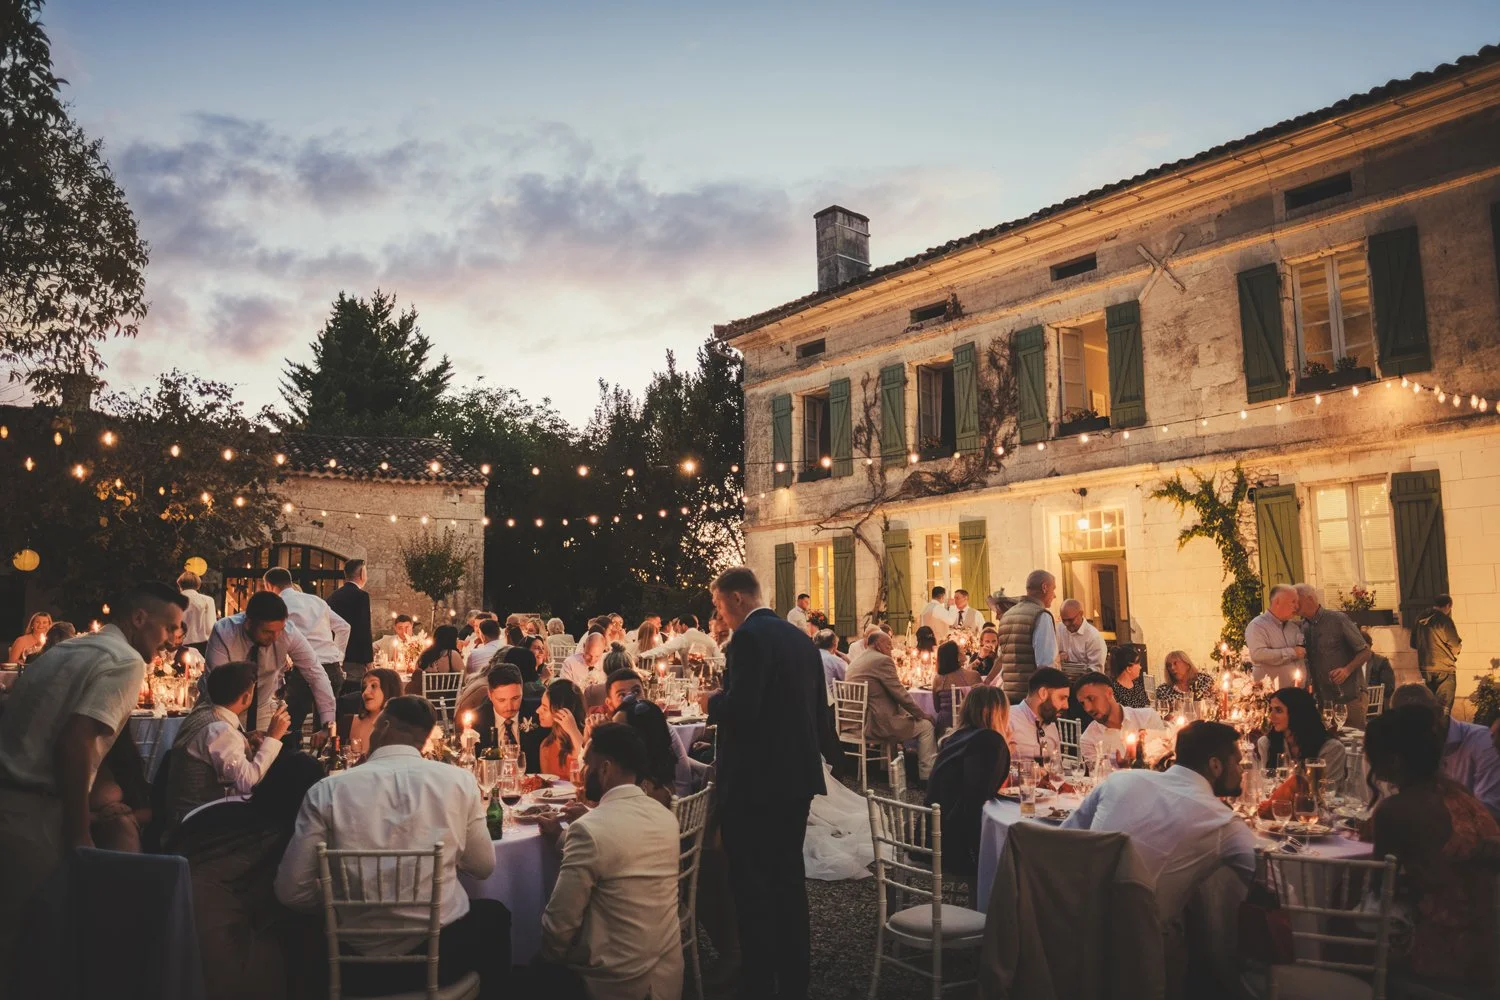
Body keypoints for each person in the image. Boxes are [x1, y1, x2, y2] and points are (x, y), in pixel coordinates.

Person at [0, 581, 186, 981]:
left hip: (10, 800)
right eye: (170, 627)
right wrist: (80, 832)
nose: (174, 639)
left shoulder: (67, 651)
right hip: (36, 817)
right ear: (139, 619)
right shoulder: (125, 660)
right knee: (29, 954)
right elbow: (76, 741)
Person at [275, 696, 509, 999]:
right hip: (443, 956)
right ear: (425, 739)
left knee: (297, 933)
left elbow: (290, 891)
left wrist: (341, 898)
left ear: (383, 725)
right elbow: (482, 867)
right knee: (495, 916)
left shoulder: (327, 791)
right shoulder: (458, 782)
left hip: (354, 963)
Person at [708, 567, 825, 1000]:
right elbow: (818, 708)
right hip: (796, 776)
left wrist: (713, 702)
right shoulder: (799, 638)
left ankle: (758, 980)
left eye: (719, 605)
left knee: (752, 884)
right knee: (789, 880)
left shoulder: (749, 639)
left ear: (737, 598)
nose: (719, 614)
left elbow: (744, 708)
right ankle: (795, 978)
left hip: (756, 783)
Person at [536, 722, 683, 1000]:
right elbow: (622, 855)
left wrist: (549, 960)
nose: (583, 772)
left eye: (587, 764)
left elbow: (559, 926)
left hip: (613, 983)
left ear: (604, 768)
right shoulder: (665, 817)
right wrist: (562, 839)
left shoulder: (589, 829)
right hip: (667, 978)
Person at [1063, 721, 1256, 924]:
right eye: (1237, 763)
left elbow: (1066, 837)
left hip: (1073, 921)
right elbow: (1272, 884)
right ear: (1215, 765)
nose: (1241, 771)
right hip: (1143, 943)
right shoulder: (1224, 822)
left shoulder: (1119, 781)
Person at [1365, 705, 1499, 989]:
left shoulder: (1395, 810)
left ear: (1395, 761)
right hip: (1487, 948)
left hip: (1438, 957)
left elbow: (1378, 889)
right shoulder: (1459, 793)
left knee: (1340, 935)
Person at [172, 752, 325, 1000]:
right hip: (218, 953)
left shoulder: (227, 812)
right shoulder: (282, 835)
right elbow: (292, 894)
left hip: (168, 929)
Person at [164, 661, 290, 836]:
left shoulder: (202, 712)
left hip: (183, 812)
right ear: (246, 697)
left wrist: (245, 738)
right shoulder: (219, 731)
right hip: (197, 822)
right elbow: (248, 783)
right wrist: (273, 738)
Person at [206, 590, 336, 744]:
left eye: (279, 630)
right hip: (219, 709)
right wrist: (240, 735)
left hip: (261, 707)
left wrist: (328, 723)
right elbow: (219, 688)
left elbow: (315, 674)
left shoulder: (288, 633)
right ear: (248, 623)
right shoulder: (224, 632)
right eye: (267, 631)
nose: (275, 637)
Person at [925, 687, 1012, 877]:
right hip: (952, 842)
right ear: (999, 712)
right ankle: (988, 903)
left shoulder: (958, 737)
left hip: (929, 831)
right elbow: (977, 799)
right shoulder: (989, 741)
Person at [1390, 683, 1500, 822]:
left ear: (1439, 712)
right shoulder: (1411, 745)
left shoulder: (1483, 742)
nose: (1415, 734)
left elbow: (1489, 812)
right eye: (1408, 728)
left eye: (1421, 724)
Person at [264, 567, 350, 734]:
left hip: (303, 671)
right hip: (332, 667)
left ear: (269, 586)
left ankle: (289, 758)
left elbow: (278, 643)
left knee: (289, 726)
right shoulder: (316, 601)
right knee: (326, 728)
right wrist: (338, 656)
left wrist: (278, 679)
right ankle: (322, 759)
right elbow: (344, 627)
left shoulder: (280, 606)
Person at [846, 629, 938, 782]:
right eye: (889, 645)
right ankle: (926, 776)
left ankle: (885, 768)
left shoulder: (859, 659)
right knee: (926, 726)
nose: (892, 649)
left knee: (895, 713)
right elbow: (900, 693)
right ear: (878, 645)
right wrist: (922, 714)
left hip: (853, 720)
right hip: (872, 723)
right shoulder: (882, 660)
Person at [1296, 583, 1370, 729]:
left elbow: (1365, 651)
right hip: (1323, 701)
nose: (1294, 604)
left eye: (1296, 600)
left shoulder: (1338, 620)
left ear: (1309, 599)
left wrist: (1346, 670)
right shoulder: (1302, 627)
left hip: (1349, 697)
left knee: (1354, 743)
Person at [1256, 686, 1347, 792]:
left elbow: (1326, 793)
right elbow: (1267, 788)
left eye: (1278, 710)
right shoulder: (1266, 744)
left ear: (1296, 713)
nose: (1271, 716)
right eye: (1271, 709)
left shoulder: (1331, 749)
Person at [991, 569, 1058, 700]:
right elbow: (1046, 664)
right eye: (1053, 589)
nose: (1054, 595)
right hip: (1032, 698)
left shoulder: (1007, 616)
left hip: (1009, 695)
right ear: (1044, 587)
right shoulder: (1041, 616)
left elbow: (1002, 658)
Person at [1076, 671, 1167, 766]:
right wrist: (1123, 770)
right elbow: (1099, 777)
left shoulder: (1147, 718)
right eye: (1083, 703)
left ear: (1109, 693)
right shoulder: (1088, 739)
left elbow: (1164, 761)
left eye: (1091, 699)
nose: (1087, 708)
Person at [612, 698, 680, 808]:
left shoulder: (651, 791)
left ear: (642, 738)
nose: (612, 738)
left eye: (619, 732)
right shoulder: (638, 774)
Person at [1245, 584, 1306, 688]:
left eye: (1297, 602)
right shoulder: (1257, 626)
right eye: (1293, 602)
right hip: (1272, 696)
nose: (1297, 606)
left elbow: (1300, 656)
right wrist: (1292, 652)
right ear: (1277, 602)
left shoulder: (1293, 628)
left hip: (1296, 694)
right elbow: (1258, 654)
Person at [326, 558, 374, 689]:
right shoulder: (361, 596)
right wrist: (369, 661)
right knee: (356, 693)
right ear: (362, 574)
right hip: (356, 657)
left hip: (335, 655)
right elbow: (364, 629)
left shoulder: (333, 596)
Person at [1010, 667, 1071, 764]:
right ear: (1043, 693)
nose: (1066, 706)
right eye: (1062, 698)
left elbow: (1057, 768)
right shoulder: (1008, 719)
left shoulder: (1051, 725)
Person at [1414, 594, 1462, 714]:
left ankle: (1430, 732)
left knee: (1430, 708)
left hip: (1425, 668)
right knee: (1443, 710)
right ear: (1448, 605)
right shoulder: (1445, 620)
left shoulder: (1420, 618)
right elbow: (1455, 646)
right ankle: (1442, 732)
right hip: (1444, 668)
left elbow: (1413, 643)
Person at [342, 667, 403, 752]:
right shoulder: (347, 722)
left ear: (389, 689)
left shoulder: (403, 730)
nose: (365, 692)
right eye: (364, 687)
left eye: (373, 686)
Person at [475, 663, 531, 754]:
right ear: (490, 695)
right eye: (501, 700)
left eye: (515, 698)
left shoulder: (538, 715)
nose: (509, 707)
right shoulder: (476, 722)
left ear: (522, 690)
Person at [537, 679, 586, 779]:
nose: (538, 711)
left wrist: (573, 731)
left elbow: (587, 764)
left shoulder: (589, 737)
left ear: (562, 712)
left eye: (545, 708)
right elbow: (547, 787)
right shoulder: (546, 746)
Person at [931, 639, 981, 731]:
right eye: (960, 649)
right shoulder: (974, 676)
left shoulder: (938, 679)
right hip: (968, 729)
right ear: (956, 656)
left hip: (944, 729)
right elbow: (982, 705)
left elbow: (937, 708)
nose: (963, 650)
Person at [408, 623, 463, 695]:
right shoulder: (451, 654)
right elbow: (464, 679)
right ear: (452, 639)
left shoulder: (425, 653)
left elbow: (417, 672)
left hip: (424, 698)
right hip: (446, 700)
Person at [1055, 598, 1106, 676]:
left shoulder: (1093, 636)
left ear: (1081, 614)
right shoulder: (1059, 629)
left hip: (1085, 683)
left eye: (1070, 620)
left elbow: (1096, 670)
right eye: (1064, 620)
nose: (1067, 624)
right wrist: (1058, 656)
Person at [178, 571, 218, 654]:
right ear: (198, 585)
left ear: (180, 584)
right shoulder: (208, 600)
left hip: (180, 645)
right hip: (203, 646)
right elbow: (211, 627)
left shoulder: (174, 600)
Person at [1360, 627, 1397, 712]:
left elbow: (1388, 689)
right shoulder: (1349, 663)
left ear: (1370, 646)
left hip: (1373, 708)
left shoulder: (1381, 662)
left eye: (1364, 647)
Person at [1106, 643, 1150, 708]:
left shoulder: (1137, 685)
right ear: (1129, 668)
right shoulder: (1114, 690)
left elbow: (1147, 707)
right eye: (1138, 664)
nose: (1140, 667)